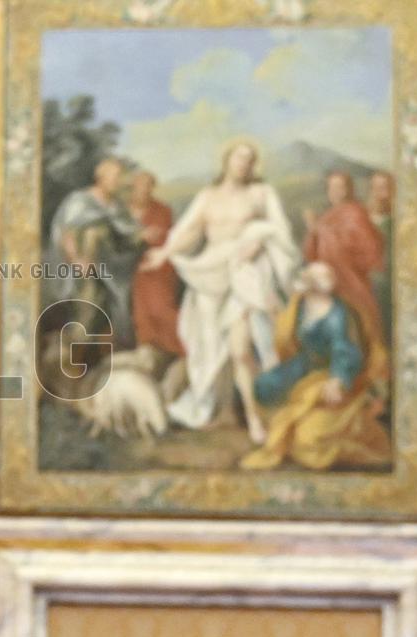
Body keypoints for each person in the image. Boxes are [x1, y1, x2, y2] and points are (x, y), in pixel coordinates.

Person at [140, 141, 300, 443]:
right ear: (226, 161)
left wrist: (259, 239)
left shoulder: (261, 194)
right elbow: (188, 231)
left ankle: (256, 419)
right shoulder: (208, 196)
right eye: (239, 158)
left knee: (241, 350)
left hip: (245, 275)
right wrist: (164, 254)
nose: (243, 164)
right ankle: (224, 410)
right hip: (211, 274)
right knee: (211, 349)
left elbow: (281, 232)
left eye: (249, 159)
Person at [240, 262, 390, 470]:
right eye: (320, 276)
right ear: (308, 282)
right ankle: (278, 429)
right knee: (266, 385)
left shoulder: (337, 313)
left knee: (309, 429)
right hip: (304, 365)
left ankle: (298, 432)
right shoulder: (300, 306)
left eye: (329, 275)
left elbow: (344, 349)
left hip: (328, 372)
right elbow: (285, 333)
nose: (328, 280)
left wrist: (338, 378)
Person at [48, 158, 149, 350]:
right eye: (115, 177)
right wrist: (77, 260)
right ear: (101, 178)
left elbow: (126, 234)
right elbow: (66, 233)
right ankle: (74, 351)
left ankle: (113, 350)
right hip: (85, 270)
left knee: (117, 309)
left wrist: (141, 235)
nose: (119, 182)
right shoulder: (80, 201)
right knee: (88, 308)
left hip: (113, 268)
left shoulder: (116, 205)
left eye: (120, 177)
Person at [302, 171, 386, 341]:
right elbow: (311, 255)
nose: (335, 191)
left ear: (349, 190)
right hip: (327, 286)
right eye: (331, 187)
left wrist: (321, 231)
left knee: (357, 330)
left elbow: (371, 252)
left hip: (351, 282)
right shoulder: (327, 217)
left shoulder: (356, 214)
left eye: (340, 187)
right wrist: (314, 231)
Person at [128, 170, 183, 357]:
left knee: (161, 308)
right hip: (128, 265)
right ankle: (147, 344)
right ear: (133, 187)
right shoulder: (122, 211)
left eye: (148, 186)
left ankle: (177, 347)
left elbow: (168, 239)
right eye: (140, 186)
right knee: (140, 311)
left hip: (157, 266)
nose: (144, 190)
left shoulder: (162, 210)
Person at [366, 170, 395, 343]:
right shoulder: (364, 219)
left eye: (384, 188)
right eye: (375, 189)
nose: (380, 195)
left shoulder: (398, 221)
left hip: (388, 283)